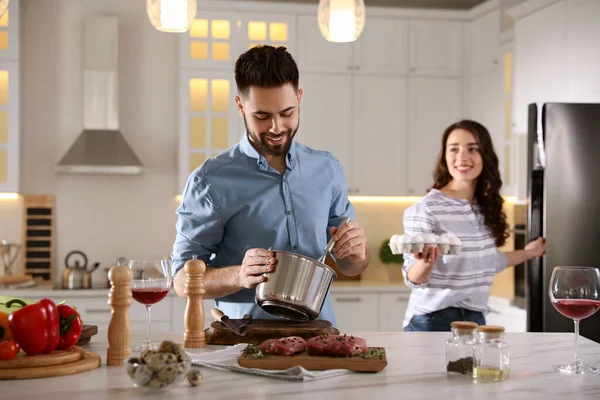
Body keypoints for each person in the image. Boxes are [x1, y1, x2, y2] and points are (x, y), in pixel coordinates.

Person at [170, 45, 370, 327]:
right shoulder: (210, 181)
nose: (276, 127)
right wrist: (239, 275)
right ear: (240, 106)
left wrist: (358, 253)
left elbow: (350, 265)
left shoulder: (327, 169)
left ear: (299, 99)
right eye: (262, 116)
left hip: (318, 337)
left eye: (287, 112)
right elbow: (181, 280)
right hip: (242, 342)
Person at [402, 120, 546, 332]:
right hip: (432, 321)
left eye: (472, 149)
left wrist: (529, 253)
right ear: (444, 157)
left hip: (475, 320)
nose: (462, 157)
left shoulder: (482, 207)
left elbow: (489, 261)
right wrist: (426, 262)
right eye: (454, 149)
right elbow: (412, 279)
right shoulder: (426, 209)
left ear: (485, 155)